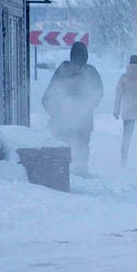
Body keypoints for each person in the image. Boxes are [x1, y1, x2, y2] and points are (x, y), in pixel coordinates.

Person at [42, 41, 103, 177]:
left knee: (64, 144)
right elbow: (99, 92)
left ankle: (63, 169)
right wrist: (88, 106)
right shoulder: (91, 72)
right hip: (83, 119)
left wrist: (54, 113)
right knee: (81, 144)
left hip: (64, 119)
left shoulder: (63, 70)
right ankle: (81, 168)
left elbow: (49, 95)